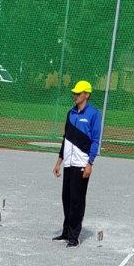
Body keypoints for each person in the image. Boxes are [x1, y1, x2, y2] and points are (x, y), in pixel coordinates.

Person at [53, 80, 102, 247]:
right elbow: (65, 139)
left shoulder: (94, 114)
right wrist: (59, 162)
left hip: (82, 164)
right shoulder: (71, 113)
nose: (75, 96)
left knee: (77, 200)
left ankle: (74, 237)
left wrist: (90, 163)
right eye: (74, 93)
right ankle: (66, 232)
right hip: (68, 163)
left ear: (86, 95)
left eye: (78, 93)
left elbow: (95, 141)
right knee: (66, 198)